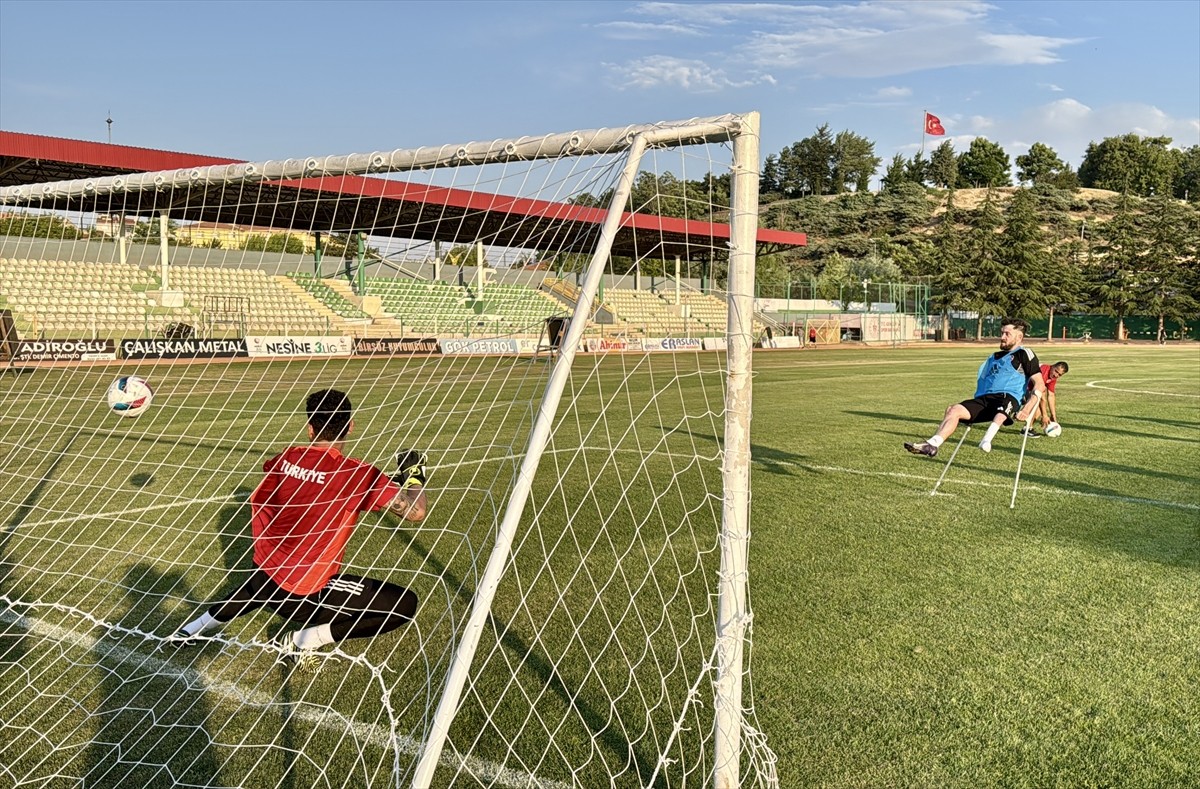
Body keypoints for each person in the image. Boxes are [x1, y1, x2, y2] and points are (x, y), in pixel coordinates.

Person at [170, 389, 428, 672]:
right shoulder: (359, 474)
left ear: (309, 428)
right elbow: (415, 512)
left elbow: (313, 480)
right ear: (351, 426)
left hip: (264, 573)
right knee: (403, 604)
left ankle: (190, 629)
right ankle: (302, 640)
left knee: (261, 584)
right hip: (305, 595)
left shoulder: (287, 457)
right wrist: (415, 476)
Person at [905, 318, 1046, 456]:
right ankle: (932, 444)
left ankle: (986, 440)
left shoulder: (1024, 354)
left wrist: (1027, 409)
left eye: (1007, 334)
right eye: (1002, 333)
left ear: (1019, 336)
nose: (1002, 337)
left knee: (1001, 411)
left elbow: (1039, 384)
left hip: (1007, 397)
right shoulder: (994, 357)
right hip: (985, 399)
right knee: (953, 410)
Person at [1022, 360, 1069, 437]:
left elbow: (1051, 395)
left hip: (1029, 390)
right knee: (1037, 402)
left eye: (1059, 375)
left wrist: (1053, 415)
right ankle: (1026, 428)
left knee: (1040, 408)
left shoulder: (1052, 377)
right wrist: (1045, 416)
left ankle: (1027, 429)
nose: (1056, 375)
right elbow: (1042, 396)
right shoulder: (1043, 371)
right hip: (1021, 388)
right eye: (1056, 371)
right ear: (1052, 366)